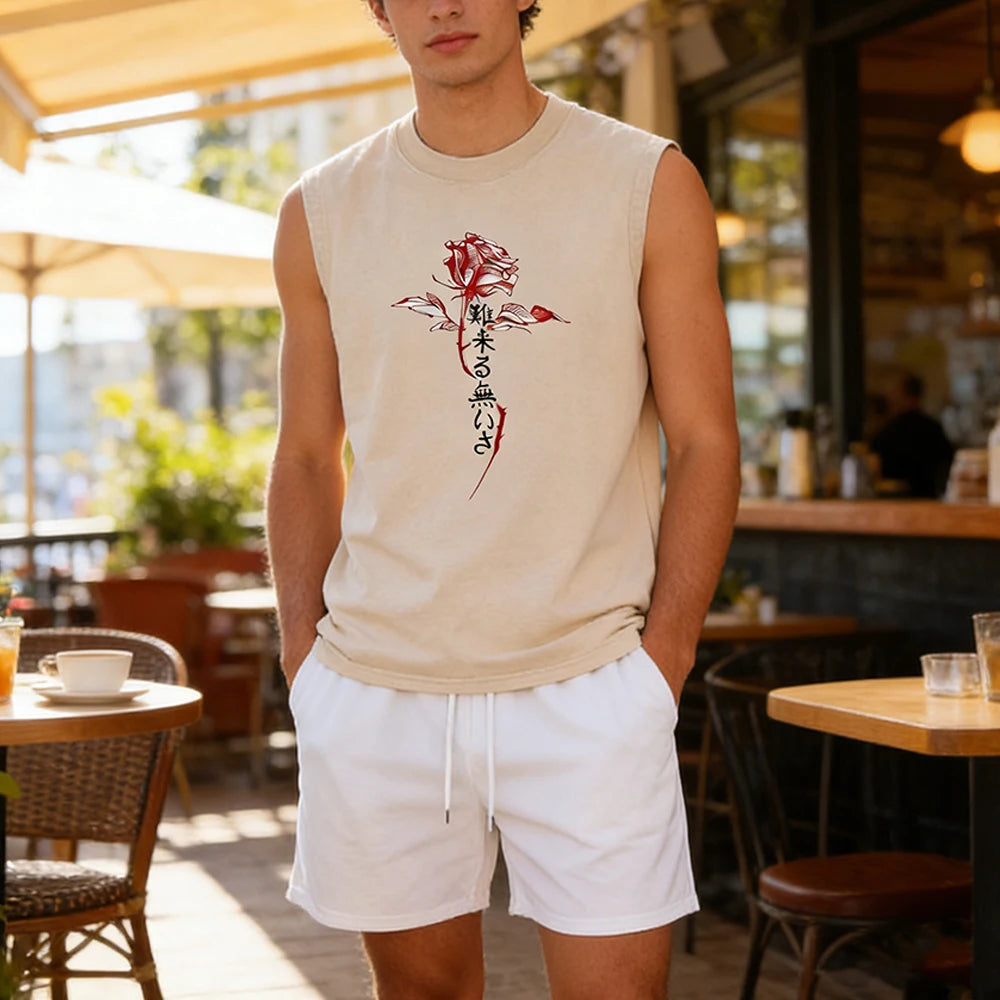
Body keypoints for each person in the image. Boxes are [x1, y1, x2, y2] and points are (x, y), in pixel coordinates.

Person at [266, 1, 740, 996]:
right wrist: (304, 661)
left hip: (589, 679)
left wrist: (664, 658)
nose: (445, 6)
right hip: (377, 688)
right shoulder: (321, 208)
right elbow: (309, 453)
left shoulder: (645, 180)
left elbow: (703, 439)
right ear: (381, 10)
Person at [870, 372, 954, 498]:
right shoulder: (933, 427)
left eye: (894, 393)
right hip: (930, 500)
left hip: (894, 502)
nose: (891, 397)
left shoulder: (890, 431)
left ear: (904, 395)